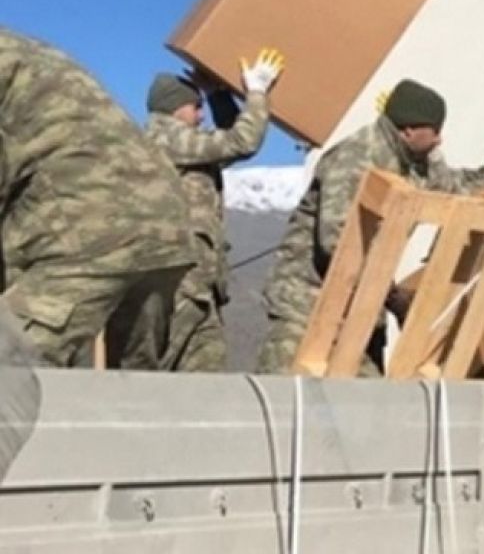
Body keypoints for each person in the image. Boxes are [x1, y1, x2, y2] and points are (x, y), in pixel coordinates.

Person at [0, 26, 194, 369]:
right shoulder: (31, 53)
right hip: (165, 223)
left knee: (10, 369)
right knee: (131, 386)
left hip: (85, 228)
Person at [255, 79, 454, 375]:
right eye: (435, 131)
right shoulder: (356, 157)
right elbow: (337, 240)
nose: (439, 140)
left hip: (360, 310)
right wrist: (393, 298)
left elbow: (447, 188)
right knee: (288, 397)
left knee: (364, 400)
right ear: (409, 130)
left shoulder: (408, 161)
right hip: (308, 307)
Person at [144, 50, 284, 371]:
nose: (201, 116)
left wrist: (217, 95)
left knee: (206, 376)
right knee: (153, 371)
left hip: (200, 286)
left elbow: (228, 142)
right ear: (176, 108)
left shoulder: (185, 144)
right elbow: (241, 142)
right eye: (197, 107)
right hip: (179, 284)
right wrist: (257, 93)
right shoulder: (167, 136)